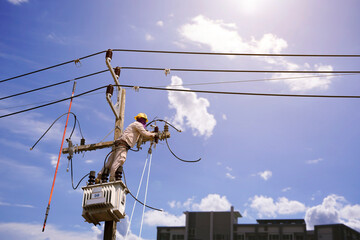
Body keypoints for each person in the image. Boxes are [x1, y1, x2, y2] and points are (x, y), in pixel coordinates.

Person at [96, 113, 156, 182]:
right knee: (120, 159)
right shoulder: (138, 124)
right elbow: (145, 133)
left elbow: (143, 134)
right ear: (143, 120)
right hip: (123, 145)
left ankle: (99, 177)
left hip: (118, 144)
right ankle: (112, 179)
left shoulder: (134, 125)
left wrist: (150, 133)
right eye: (144, 120)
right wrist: (154, 134)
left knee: (109, 162)